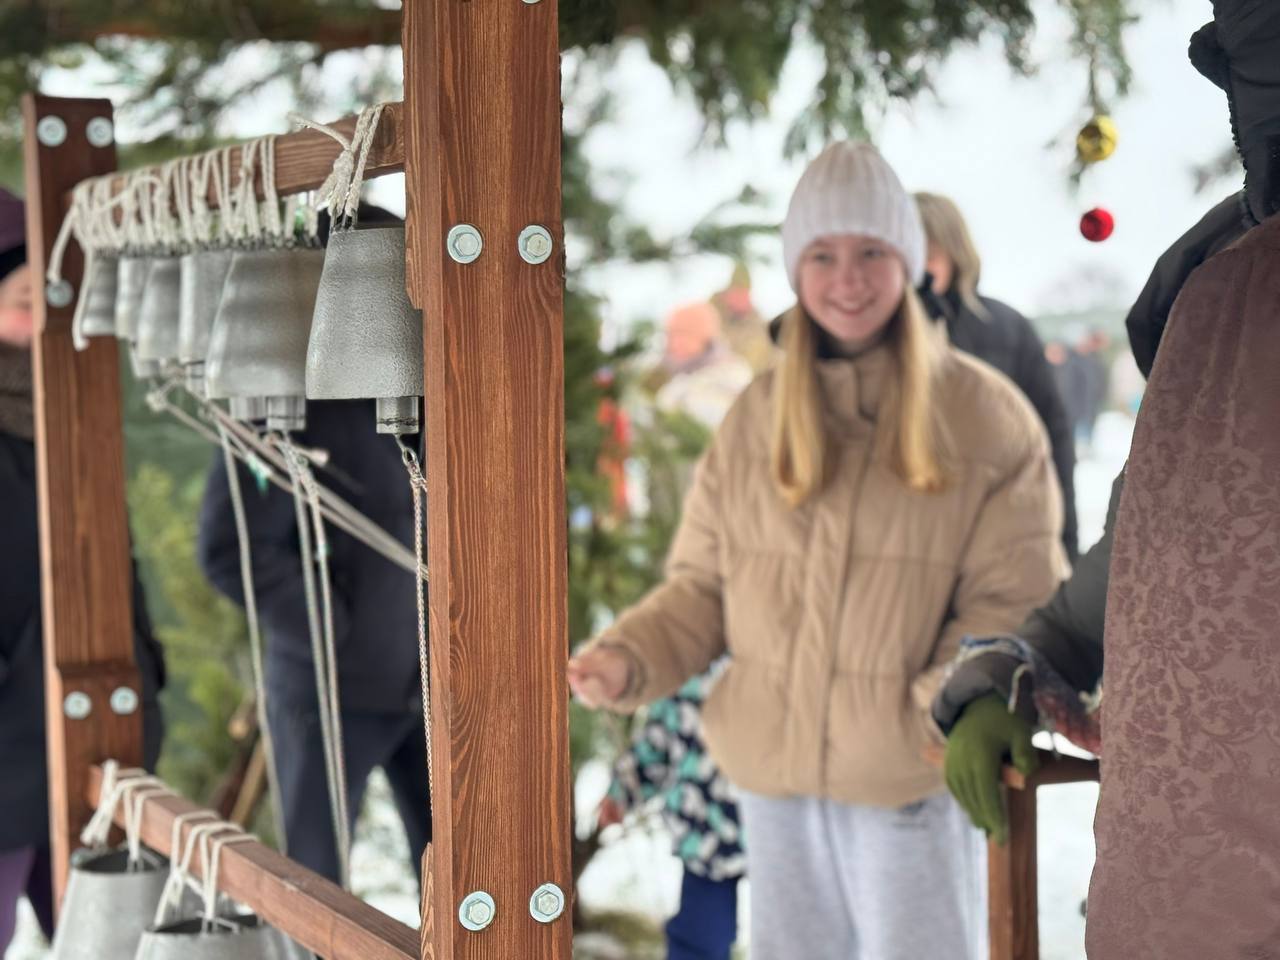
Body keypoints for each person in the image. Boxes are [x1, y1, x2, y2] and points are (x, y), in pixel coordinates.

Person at [568, 142, 1066, 959]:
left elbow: (1012, 599)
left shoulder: (985, 418)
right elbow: (705, 585)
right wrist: (632, 656)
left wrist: (923, 716)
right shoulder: (756, 416)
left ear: (908, 261)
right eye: (823, 255)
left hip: (908, 780)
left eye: (872, 252)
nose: (848, 280)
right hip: (776, 784)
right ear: (796, 269)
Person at [197, 209, 430, 887]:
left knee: (466, 876)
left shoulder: (430, 390)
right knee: (316, 889)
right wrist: (332, 623)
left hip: (432, 684)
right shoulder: (278, 407)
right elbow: (230, 547)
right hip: (327, 693)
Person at [0, 188, 165, 951]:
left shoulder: (72, 414)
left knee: (112, 944)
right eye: (24, 297)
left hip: (94, 737)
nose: (45, 318)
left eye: (54, 295)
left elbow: (113, 558)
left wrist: (145, 664)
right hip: (8, 749)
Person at [603, 305, 751, 960]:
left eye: (679, 335)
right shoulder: (698, 647)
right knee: (699, 932)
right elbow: (667, 721)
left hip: (783, 812)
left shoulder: (725, 396)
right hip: (712, 822)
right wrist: (626, 790)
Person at [915, 192, 1079, 560]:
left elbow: (1052, 435)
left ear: (955, 255)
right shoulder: (876, 337)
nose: (918, 272)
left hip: (996, 529)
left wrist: (1064, 543)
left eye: (929, 256)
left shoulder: (1006, 329)